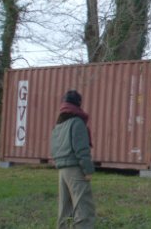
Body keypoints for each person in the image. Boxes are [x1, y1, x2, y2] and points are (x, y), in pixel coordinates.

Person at [51, 90, 95, 228]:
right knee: (84, 209)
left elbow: (54, 149)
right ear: (78, 104)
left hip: (62, 171)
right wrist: (88, 170)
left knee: (65, 210)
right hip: (75, 169)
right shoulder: (77, 122)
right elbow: (82, 149)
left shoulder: (59, 125)